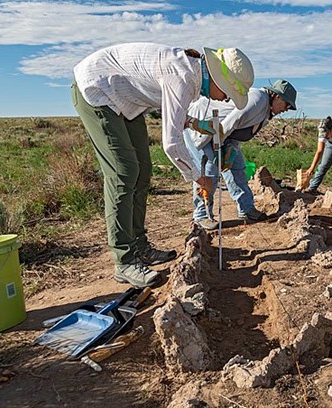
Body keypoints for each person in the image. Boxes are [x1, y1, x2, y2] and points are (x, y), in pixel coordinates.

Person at [72, 43, 254, 288]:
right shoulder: (183, 76)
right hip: (97, 90)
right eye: (228, 94)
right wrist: (200, 177)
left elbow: (169, 107)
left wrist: (193, 123)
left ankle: (139, 246)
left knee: (142, 170)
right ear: (219, 80)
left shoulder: (189, 75)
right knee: (124, 172)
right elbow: (171, 143)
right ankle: (124, 260)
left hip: (127, 103)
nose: (225, 99)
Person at [184, 79, 297, 230]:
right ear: (277, 96)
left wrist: (230, 149)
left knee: (237, 168)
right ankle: (201, 215)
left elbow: (238, 130)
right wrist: (217, 150)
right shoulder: (257, 99)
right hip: (202, 128)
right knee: (209, 172)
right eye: (286, 105)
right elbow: (229, 123)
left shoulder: (266, 111)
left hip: (224, 135)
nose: (286, 109)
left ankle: (246, 209)